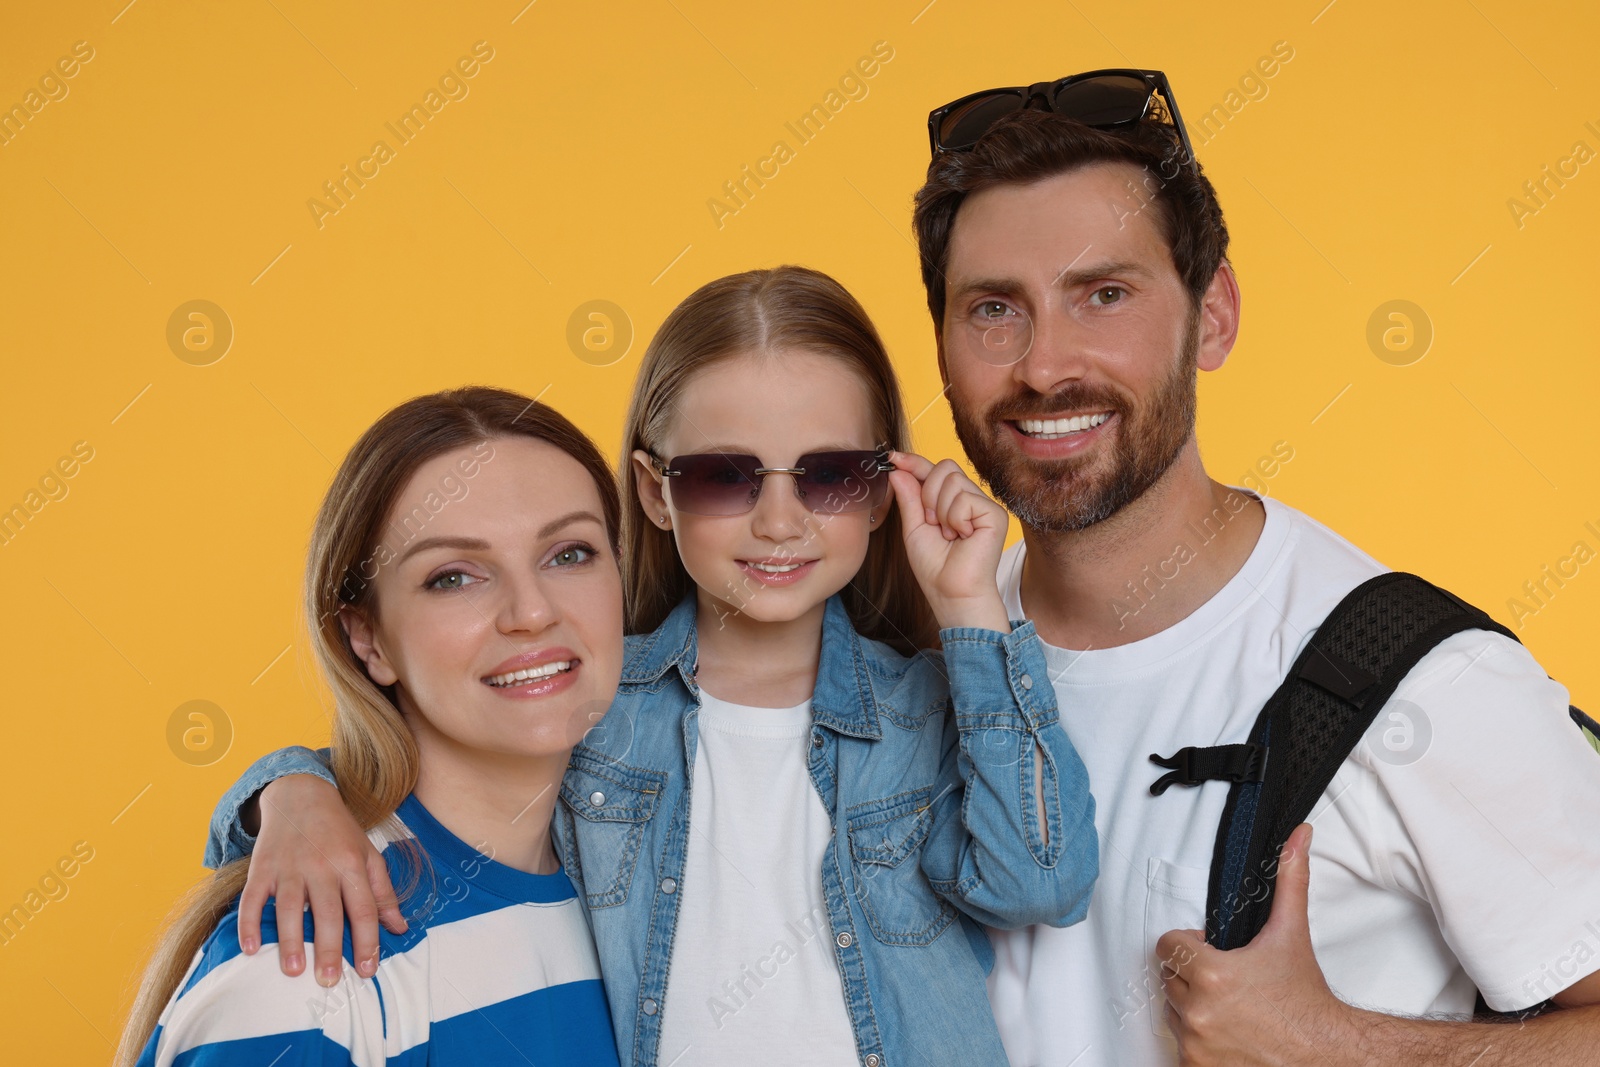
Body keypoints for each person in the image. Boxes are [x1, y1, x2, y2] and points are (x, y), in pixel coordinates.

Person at [198, 267, 1100, 1065]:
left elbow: (1042, 881)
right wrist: (292, 793)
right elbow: (431, 768)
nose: (780, 523)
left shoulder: (926, 711)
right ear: (653, 492)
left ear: (879, 492)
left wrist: (973, 613)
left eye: (828, 475)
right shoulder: (593, 699)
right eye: (725, 477)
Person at [913, 71, 1600, 1064]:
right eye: (991, 308)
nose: (1043, 363)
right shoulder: (920, 656)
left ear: (1215, 313)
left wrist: (1339, 1042)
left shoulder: (1417, 681)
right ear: (940, 344)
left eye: (1103, 293)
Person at [117, 387, 625, 1066]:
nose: (531, 612)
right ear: (368, 639)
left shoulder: (643, 888)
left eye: (570, 553)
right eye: (453, 576)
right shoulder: (305, 967)